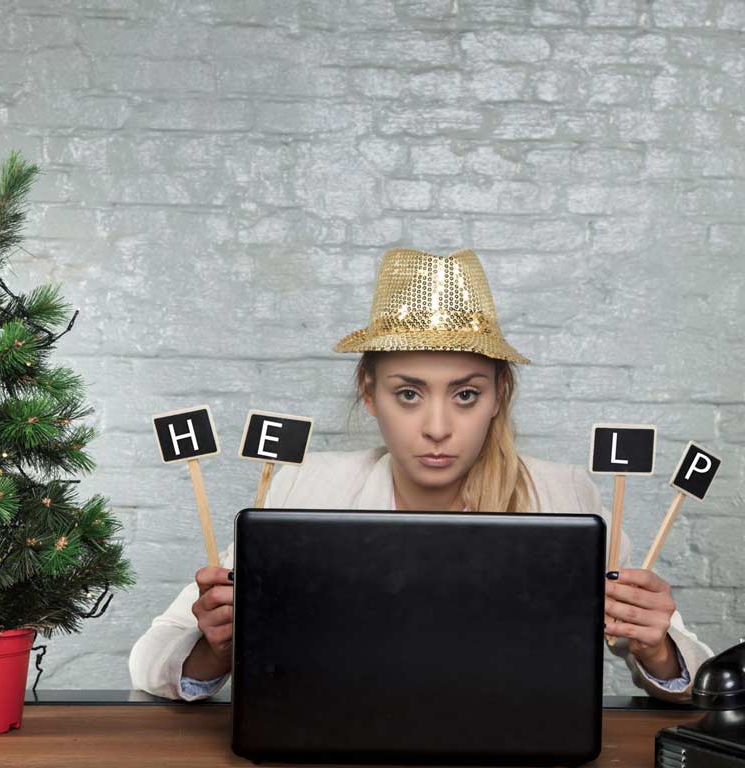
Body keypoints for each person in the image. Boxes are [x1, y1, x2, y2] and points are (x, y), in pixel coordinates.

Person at [129, 247, 714, 703]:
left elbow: (691, 677)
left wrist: (657, 646)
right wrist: (214, 648)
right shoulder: (305, 487)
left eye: (465, 394)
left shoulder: (563, 495)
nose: (437, 427)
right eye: (408, 393)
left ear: (497, 396)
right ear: (370, 394)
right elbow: (150, 661)